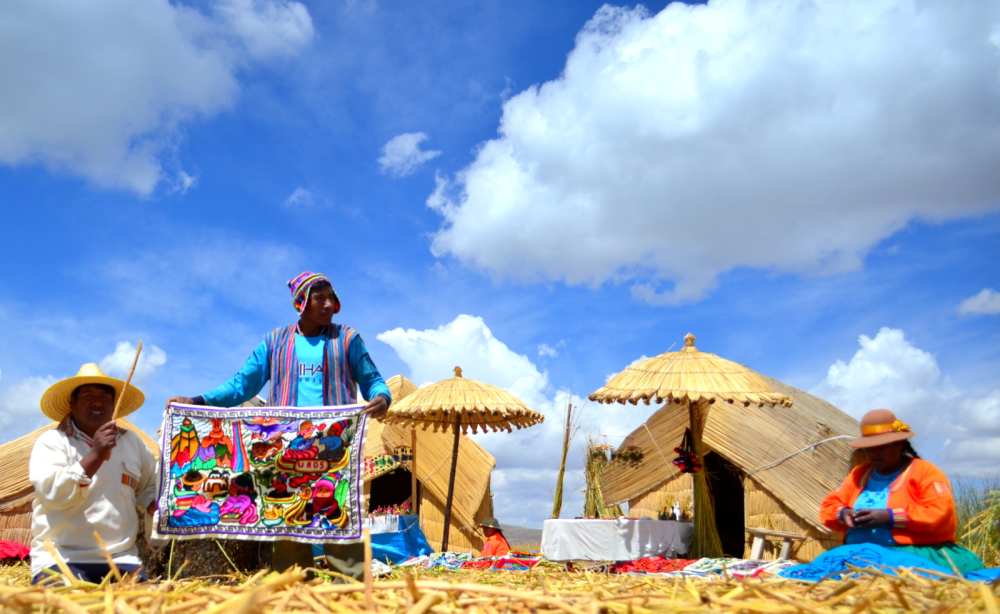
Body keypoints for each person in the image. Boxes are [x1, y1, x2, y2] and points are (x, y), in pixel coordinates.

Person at [167, 271, 391, 580]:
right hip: (285, 450)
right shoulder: (275, 342)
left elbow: (372, 379)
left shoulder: (347, 339)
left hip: (334, 449)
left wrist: (381, 396)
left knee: (339, 521)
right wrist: (199, 400)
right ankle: (295, 595)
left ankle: (350, 593)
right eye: (319, 298)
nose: (328, 304)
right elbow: (241, 385)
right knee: (287, 522)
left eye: (331, 298)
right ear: (301, 303)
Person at [29, 364, 158, 585]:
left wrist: (153, 504)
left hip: (121, 558)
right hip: (60, 558)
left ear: (114, 404)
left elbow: (149, 486)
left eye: (105, 397)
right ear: (72, 403)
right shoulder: (53, 442)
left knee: (146, 607)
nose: (98, 402)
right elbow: (54, 493)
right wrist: (96, 454)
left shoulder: (132, 443)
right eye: (88, 396)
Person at [820, 409, 984, 573]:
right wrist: (844, 514)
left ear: (899, 445)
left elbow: (939, 514)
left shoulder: (924, 472)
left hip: (910, 553)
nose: (875, 453)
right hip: (856, 554)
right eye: (870, 448)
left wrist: (889, 517)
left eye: (881, 447)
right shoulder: (860, 474)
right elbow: (829, 506)